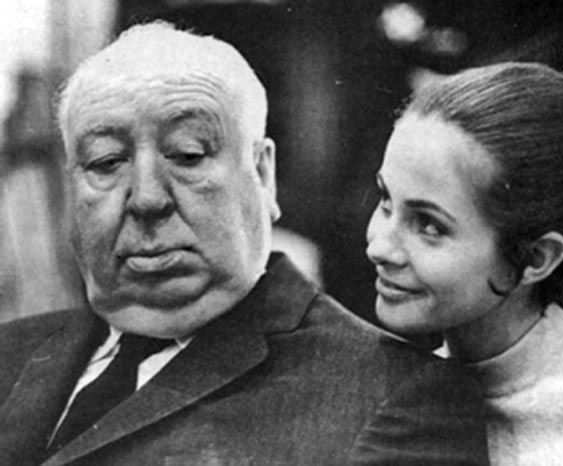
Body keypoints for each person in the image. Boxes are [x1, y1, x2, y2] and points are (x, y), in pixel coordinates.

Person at [0, 22, 490, 466]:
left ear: (263, 175)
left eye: (187, 155)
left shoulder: (396, 396)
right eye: (106, 162)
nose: (147, 197)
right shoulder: (9, 352)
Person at [365, 61, 563, 465]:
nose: (380, 248)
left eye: (429, 225)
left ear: (536, 258)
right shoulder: (385, 388)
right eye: (386, 200)